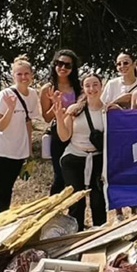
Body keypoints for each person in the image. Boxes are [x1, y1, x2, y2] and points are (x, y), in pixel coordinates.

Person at [0, 56, 43, 215]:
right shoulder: (4, 95)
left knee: (8, 191)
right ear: (13, 76)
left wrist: (29, 150)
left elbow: (28, 122)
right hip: (0, 151)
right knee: (3, 192)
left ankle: (1, 223)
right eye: (19, 74)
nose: (23, 77)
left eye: (26, 73)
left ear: (31, 75)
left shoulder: (32, 95)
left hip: (18, 152)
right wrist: (10, 108)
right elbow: (0, 126)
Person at [56, 73, 108, 230]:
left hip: (97, 159)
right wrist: (59, 117)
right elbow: (64, 136)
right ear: (83, 88)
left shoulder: (108, 110)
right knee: (76, 201)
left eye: (95, 85)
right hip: (75, 157)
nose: (92, 89)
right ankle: (75, 234)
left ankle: (100, 234)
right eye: (88, 85)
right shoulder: (75, 110)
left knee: (98, 201)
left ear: (101, 86)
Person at [41, 49, 79, 197]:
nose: (63, 68)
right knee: (60, 175)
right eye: (59, 63)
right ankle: (53, 211)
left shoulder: (78, 87)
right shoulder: (47, 89)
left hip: (76, 133)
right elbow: (46, 118)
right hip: (58, 133)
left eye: (67, 65)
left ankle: (74, 214)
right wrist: (55, 104)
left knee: (75, 176)